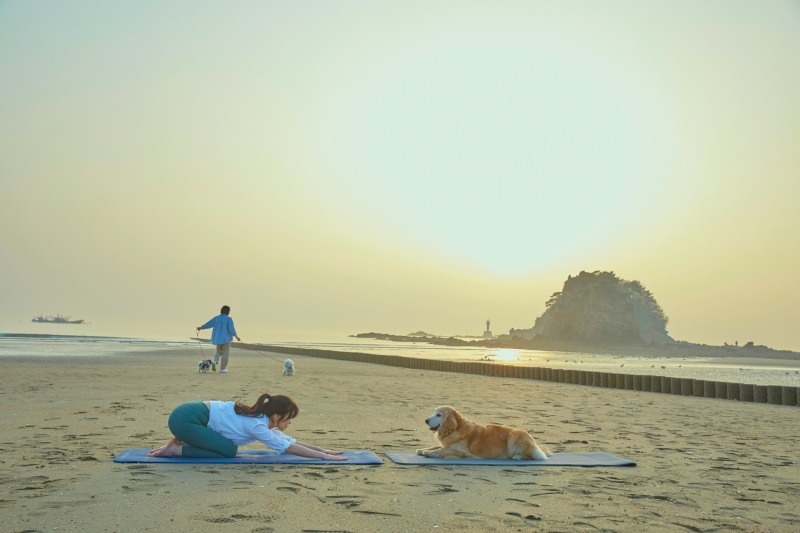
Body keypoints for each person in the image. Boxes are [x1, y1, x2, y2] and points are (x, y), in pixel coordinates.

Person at [148, 392, 347, 460]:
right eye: (288, 419)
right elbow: (287, 448)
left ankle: (180, 445)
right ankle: (176, 450)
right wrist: (322, 458)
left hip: (188, 415)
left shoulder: (263, 420)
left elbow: (289, 442)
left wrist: (323, 450)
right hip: (185, 419)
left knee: (226, 448)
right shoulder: (258, 426)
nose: (290, 423)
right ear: (276, 417)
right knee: (228, 451)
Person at [197, 305, 240, 373]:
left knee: (218, 352)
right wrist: (236, 336)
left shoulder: (216, 318)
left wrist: (201, 327)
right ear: (228, 311)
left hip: (217, 339)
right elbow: (231, 328)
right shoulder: (229, 319)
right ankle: (222, 369)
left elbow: (209, 324)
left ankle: (214, 362)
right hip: (226, 339)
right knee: (225, 353)